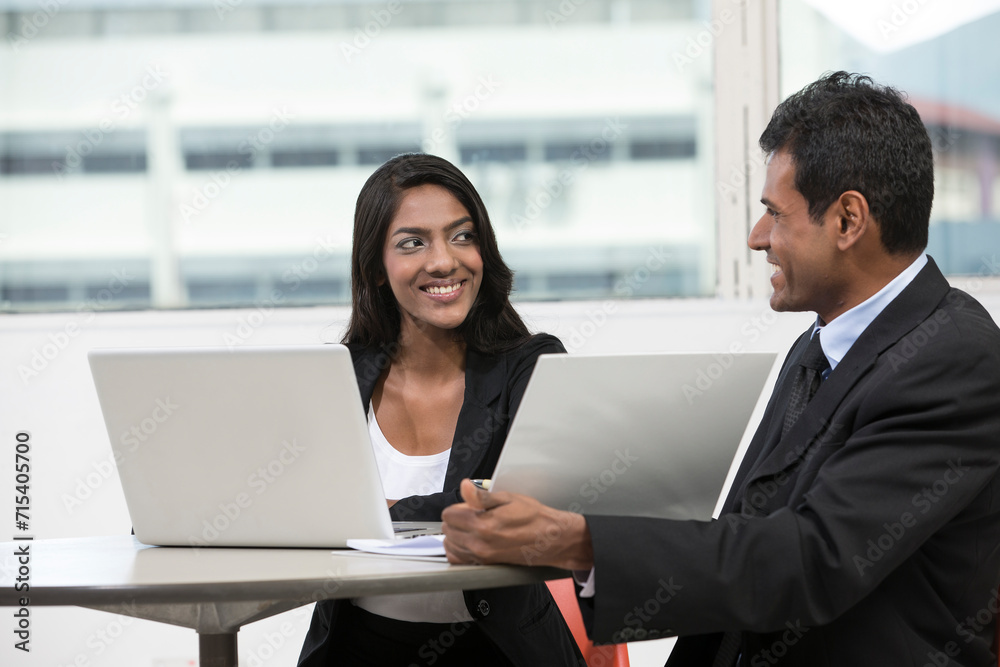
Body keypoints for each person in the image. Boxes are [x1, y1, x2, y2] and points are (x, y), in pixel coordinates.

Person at [441, 72, 1000, 666]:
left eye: (775, 214)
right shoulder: (822, 344)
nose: (758, 238)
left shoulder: (953, 359)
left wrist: (576, 540)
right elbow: (753, 536)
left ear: (848, 221)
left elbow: (815, 560)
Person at [297, 153, 582, 666]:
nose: (444, 260)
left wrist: (380, 518)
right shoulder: (340, 375)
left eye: (462, 235)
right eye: (412, 243)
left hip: (497, 648)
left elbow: (516, 503)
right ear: (377, 269)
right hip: (357, 645)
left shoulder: (531, 366)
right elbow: (290, 501)